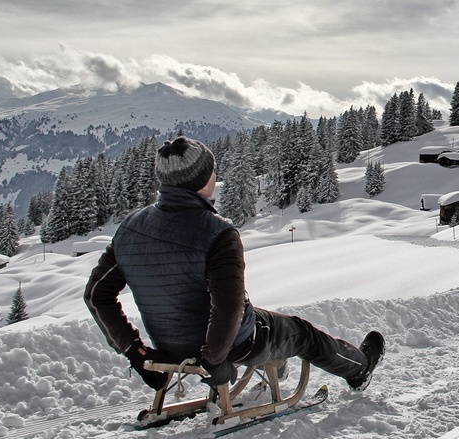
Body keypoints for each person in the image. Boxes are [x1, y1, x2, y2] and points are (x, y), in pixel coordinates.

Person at [84, 136, 384, 392]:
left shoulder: (129, 229)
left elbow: (96, 295)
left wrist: (136, 354)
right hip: (234, 344)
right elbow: (229, 307)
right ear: (203, 179)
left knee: (268, 322)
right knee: (301, 333)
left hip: (169, 343)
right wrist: (214, 360)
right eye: (212, 170)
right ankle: (359, 369)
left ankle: (276, 370)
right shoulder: (217, 232)